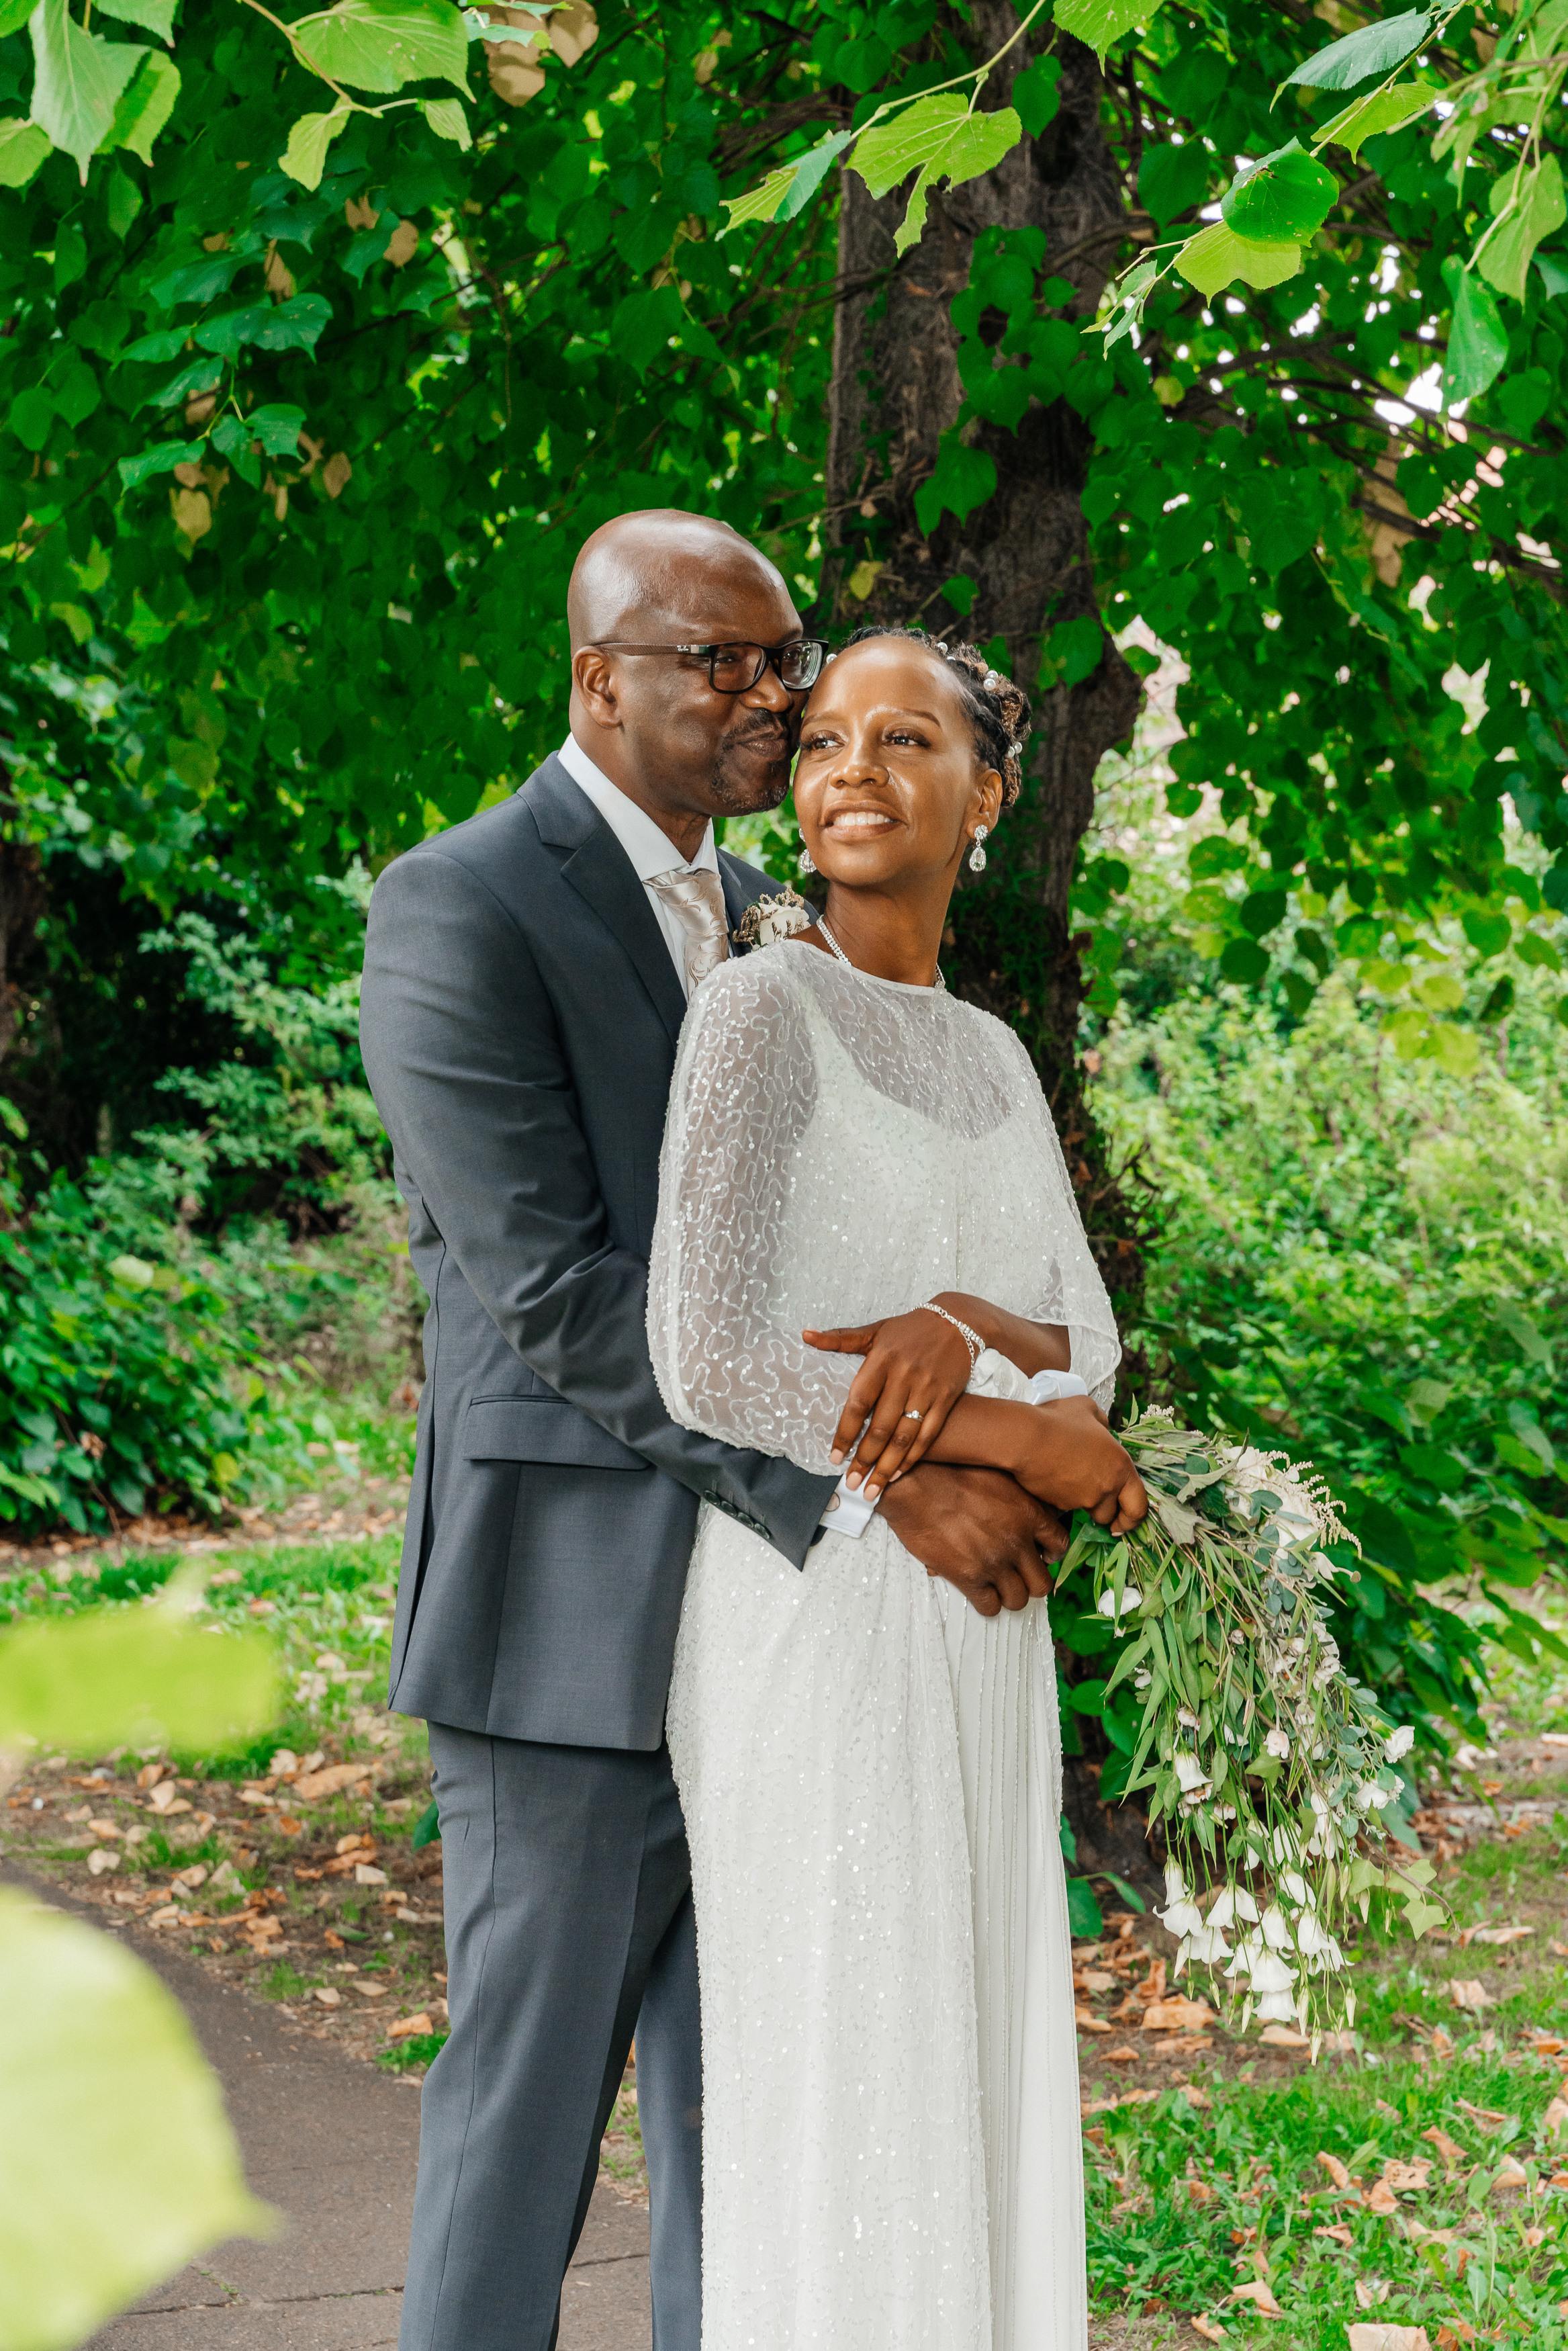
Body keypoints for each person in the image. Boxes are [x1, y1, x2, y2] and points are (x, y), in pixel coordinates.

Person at [358, 513, 1092, 2351]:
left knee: (755, 2150)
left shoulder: (779, 906)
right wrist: (882, 1481)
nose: (769, 695)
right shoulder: (460, 902)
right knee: (525, 2132)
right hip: (573, 1622)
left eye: (782, 660)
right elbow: (556, 1289)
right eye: (723, 661)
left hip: (788, 1656)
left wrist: (958, 1385)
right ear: (598, 678)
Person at [649, 623, 1148, 2350]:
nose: (851, 769)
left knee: (969, 2058)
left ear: (988, 793)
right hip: (817, 1617)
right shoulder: (757, 1008)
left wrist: (954, 1323)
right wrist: (1004, 1432)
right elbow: (708, 1357)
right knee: (850, 2068)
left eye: (904, 739)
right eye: (823, 742)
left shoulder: (996, 1053)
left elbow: (1086, 1338)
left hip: (982, 1624)